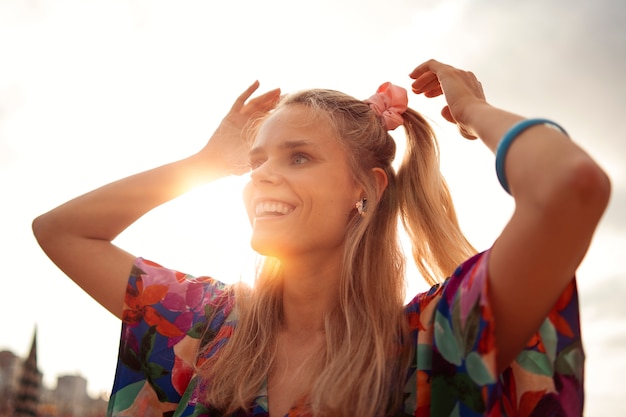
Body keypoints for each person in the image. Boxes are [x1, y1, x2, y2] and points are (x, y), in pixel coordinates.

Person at [32, 59, 610, 417]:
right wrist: (207, 161)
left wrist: (473, 109)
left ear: (367, 189)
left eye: (299, 156)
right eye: (257, 161)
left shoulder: (433, 341)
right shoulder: (205, 326)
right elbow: (60, 231)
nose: (261, 174)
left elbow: (570, 188)